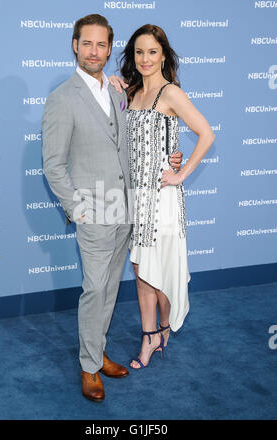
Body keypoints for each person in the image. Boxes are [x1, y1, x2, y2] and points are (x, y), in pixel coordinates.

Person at [42, 14, 183, 401]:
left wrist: (171, 158)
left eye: (102, 44)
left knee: (107, 292)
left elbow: (142, 137)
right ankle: (89, 368)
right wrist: (78, 209)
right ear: (75, 45)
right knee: (94, 290)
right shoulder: (62, 98)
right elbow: (53, 165)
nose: (94, 51)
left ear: (109, 49)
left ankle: (97, 352)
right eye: (87, 43)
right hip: (94, 212)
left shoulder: (119, 90)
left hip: (127, 210)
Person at [111, 24, 215, 369]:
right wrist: (113, 85)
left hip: (161, 198)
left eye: (152, 52)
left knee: (160, 272)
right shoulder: (132, 90)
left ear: (164, 55)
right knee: (141, 269)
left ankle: (164, 327)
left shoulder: (171, 93)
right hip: (135, 195)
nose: (145, 59)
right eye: (139, 52)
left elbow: (206, 134)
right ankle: (150, 335)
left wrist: (180, 174)